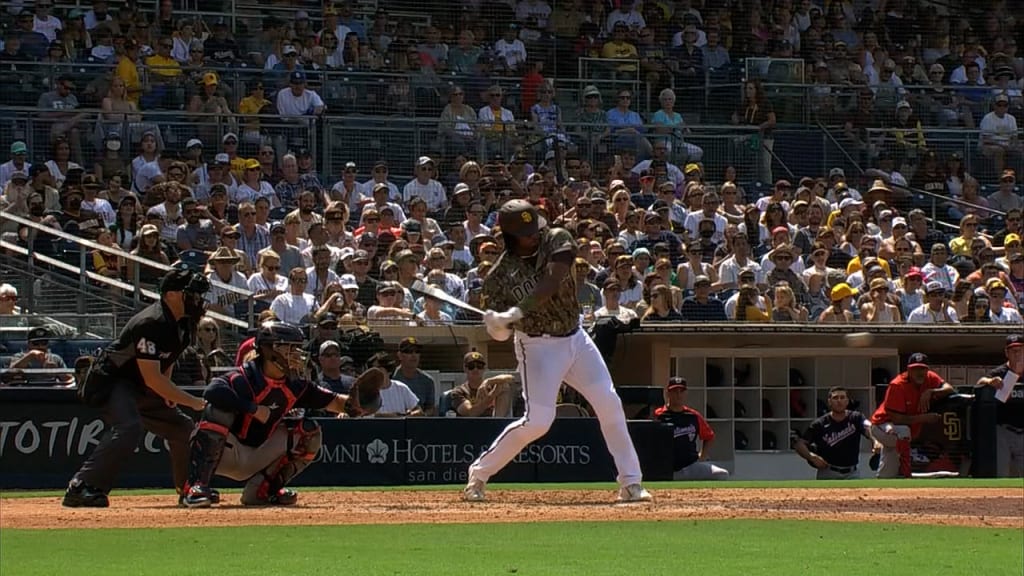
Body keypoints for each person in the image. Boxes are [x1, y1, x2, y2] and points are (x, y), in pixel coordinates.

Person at [469, 199, 651, 503]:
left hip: (575, 338)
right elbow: (498, 333)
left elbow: (552, 280)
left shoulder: (556, 238)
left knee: (609, 402)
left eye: (534, 228)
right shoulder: (498, 276)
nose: (534, 235)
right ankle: (478, 474)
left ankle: (631, 482)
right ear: (510, 236)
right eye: (526, 233)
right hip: (537, 347)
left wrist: (516, 310)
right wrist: (497, 324)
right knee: (538, 421)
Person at [180, 322, 382, 508]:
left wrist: (356, 405)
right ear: (270, 350)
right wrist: (252, 409)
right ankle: (196, 485)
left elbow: (335, 402)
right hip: (225, 453)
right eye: (290, 348)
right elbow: (213, 391)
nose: (296, 353)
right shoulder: (245, 377)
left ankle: (263, 491)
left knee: (309, 431)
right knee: (217, 409)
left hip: (258, 453)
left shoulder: (296, 385)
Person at [63, 267, 211, 508]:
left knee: (183, 428)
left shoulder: (185, 323)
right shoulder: (151, 322)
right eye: (192, 294)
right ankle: (81, 486)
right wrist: (192, 401)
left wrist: (168, 394)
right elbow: (152, 378)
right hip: (114, 381)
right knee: (129, 427)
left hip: (141, 384)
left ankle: (189, 488)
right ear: (171, 295)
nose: (197, 300)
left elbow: (166, 362)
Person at [869, 353, 955, 478]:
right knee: (903, 432)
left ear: (927, 370)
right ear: (908, 370)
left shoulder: (930, 378)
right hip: (882, 425)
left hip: (897, 430)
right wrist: (924, 418)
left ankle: (884, 480)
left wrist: (932, 391)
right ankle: (906, 473)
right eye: (915, 369)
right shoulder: (898, 385)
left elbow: (949, 389)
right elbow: (897, 419)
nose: (919, 372)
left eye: (922, 368)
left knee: (889, 467)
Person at [652, 377, 729, 480]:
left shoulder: (693, 415)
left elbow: (709, 436)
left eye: (681, 391)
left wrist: (702, 455)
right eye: (675, 391)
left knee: (722, 474)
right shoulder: (658, 415)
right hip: (667, 468)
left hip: (691, 465)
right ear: (667, 393)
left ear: (685, 393)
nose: (678, 395)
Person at [795, 386, 881, 479]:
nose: (839, 401)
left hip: (852, 473)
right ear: (829, 402)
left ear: (847, 401)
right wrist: (811, 457)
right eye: (835, 398)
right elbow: (800, 444)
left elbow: (868, 428)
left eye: (842, 397)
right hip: (828, 471)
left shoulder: (856, 417)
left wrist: (875, 441)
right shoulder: (820, 423)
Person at [975, 335, 1024, 477]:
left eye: (1019, 350)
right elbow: (979, 383)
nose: (1016, 353)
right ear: (1006, 353)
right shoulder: (1000, 372)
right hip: (1004, 430)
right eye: (1012, 350)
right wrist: (990, 381)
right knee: (1002, 473)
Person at [449, 351, 514, 417]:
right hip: (470, 425)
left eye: (479, 366)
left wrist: (488, 381)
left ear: (484, 368)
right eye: (471, 366)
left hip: (492, 423)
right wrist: (492, 396)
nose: (476, 369)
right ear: (465, 368)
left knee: (504, 385)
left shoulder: (491, 386)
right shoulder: (459, 391)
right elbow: (470, 413)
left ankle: (497, 422)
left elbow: (511, 378)